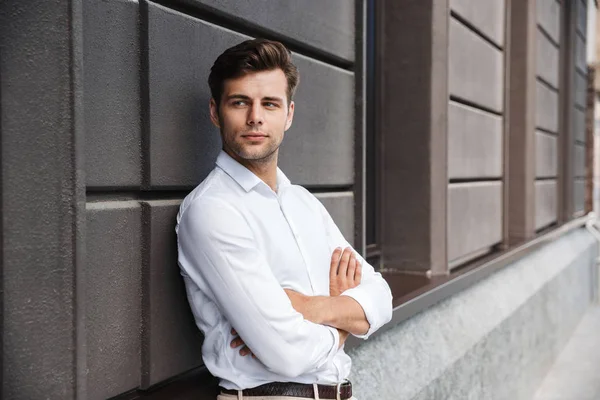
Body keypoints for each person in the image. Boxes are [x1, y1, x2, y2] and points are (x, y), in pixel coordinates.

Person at [176, 38, 392, 400]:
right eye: (240, 102)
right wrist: (344, 326)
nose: (255, 117)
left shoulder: (303, 203)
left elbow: (382, 297)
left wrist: (309, 307)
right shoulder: (212, 210)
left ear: (289, 114)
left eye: (270, 104)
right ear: (215, 112)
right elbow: (287, 354)